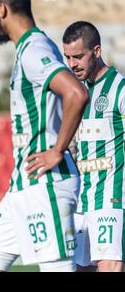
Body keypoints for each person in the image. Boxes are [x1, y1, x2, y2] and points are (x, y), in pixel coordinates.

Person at [0, 0, 88, 272]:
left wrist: (58, 150)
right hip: (22, 186)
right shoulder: (29, 48)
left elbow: (76, 93)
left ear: (1, 9)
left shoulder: (35, 50)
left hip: (46, 185)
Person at [63, 21, 125, 272]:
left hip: (112, 200)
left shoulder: (119, 89)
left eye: (78, 57)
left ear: (97, 51)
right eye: (67, 57)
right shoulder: (75, 93)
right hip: (81, 203)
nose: (72, 64)